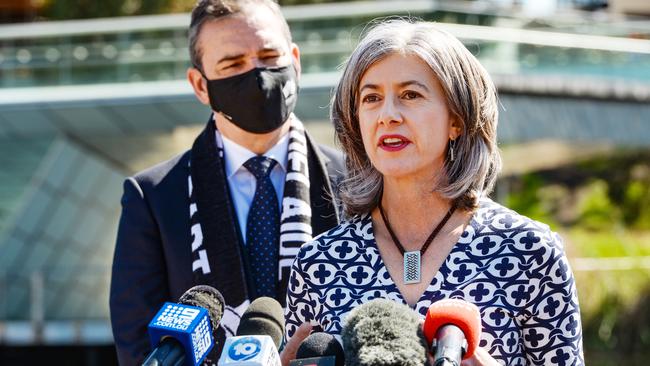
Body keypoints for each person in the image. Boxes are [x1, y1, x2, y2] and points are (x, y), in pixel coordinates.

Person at [285, 19, 584, 365]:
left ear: (457, 119)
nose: (388, 115)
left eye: (410, 95)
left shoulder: (530, 252)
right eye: (371, 98)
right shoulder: (318, 263)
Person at [109, 0, 343, 364]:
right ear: (200, 85)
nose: (258, 75)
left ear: (294, 60)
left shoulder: (359, 180)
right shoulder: (153, 198)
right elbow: (139, 345)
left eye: (269, 56)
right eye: (233, 64)